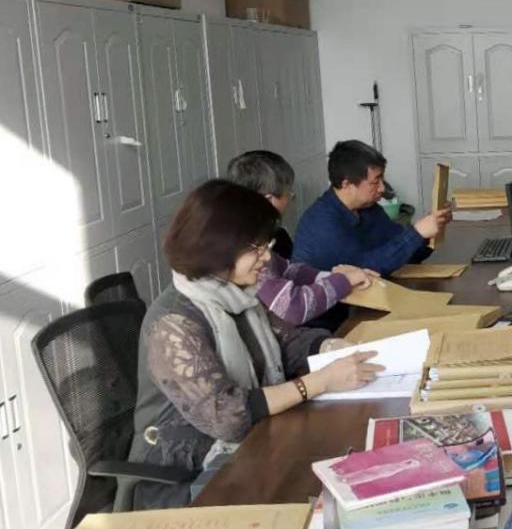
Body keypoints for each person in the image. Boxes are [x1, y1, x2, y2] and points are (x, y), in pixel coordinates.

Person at [130, 180, 384, 509]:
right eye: (256, 248)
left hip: (254, 443)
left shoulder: (238, 293)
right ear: (218, 248)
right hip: (190, 472)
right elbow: (226, 416)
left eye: (267, 245)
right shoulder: (174, 323)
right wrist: (318, 382)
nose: (266, 257)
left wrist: (332, 347)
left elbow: (288, 342)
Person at [227, 150, 378, 326]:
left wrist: (334, 276)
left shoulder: (254, 236)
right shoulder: (246, 251)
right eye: (288, 194)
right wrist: (344, 281)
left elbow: (288, 270)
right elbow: (293, 307)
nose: (290, 200)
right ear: (269, 201)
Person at [293, 140, 451, 276]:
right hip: (335, 302)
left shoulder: (368, 208)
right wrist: (416, 233)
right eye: (375, 182)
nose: (382, 188)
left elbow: (401, 254)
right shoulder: (322, 224)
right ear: (347, 184)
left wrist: (430, 232)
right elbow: (365, 270)